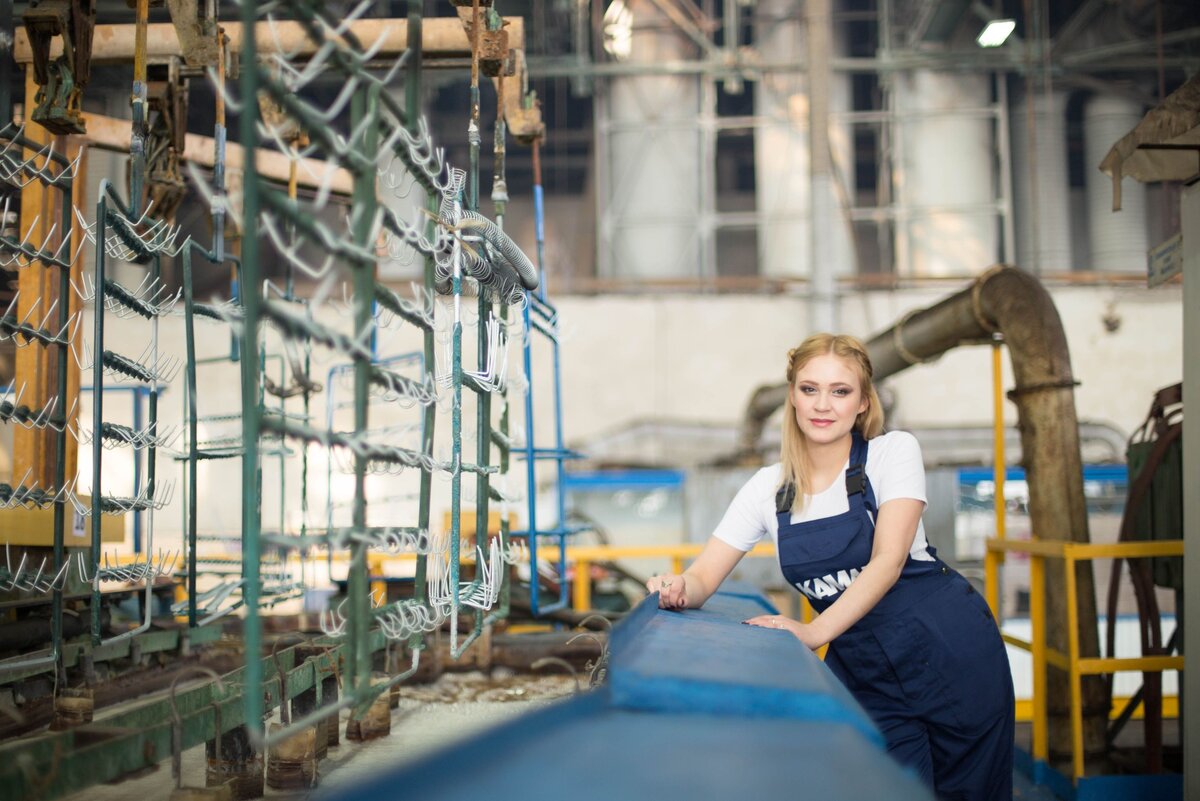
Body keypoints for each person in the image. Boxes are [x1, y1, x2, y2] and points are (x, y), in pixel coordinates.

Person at [647, 333, 1014, 800]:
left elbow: (888, 560)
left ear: (862, 403)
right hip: (868, 674)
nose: (823, 405)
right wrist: (676, 586)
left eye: (840, 391)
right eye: (809, 389)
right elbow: (702, 578)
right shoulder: (767, 489)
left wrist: (813, 632)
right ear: (792, 397)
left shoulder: (892, 454)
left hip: (952, 656)